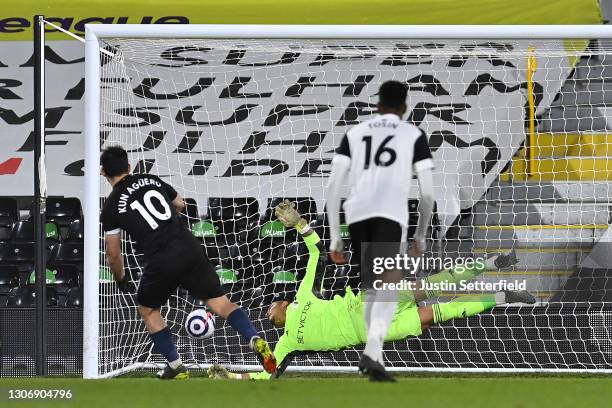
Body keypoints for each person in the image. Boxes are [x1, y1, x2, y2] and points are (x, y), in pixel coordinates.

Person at [207, 202, 531, 381]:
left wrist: (300, 224)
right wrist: (233, 378)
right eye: (267, 313)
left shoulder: (303, 295)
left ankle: (495, 260)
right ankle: (503, 296)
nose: (267, 312)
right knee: (435, 314)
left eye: (268, 307)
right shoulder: (287, 343)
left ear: (282, 302)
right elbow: (270, 372)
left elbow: (317, 252)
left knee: (430, 286)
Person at [100, 145, 276, 379]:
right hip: (189, 247)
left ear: (103, 172)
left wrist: (121, 280)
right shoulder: (151, 179)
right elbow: (182, 204)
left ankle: (175, 364)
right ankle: (254, 338)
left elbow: (113, 254)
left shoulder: (111, 205)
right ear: (129, 167)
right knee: (221, 303)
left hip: (161, 258)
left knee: (148, 309)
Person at [325, 80, 436, 380]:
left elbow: (334, 185)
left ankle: (372, 356)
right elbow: (427, 193)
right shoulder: (413, 134)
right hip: (388, 213)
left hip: (357, 213)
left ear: (377, 106)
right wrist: (421, 235)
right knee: (387, 286)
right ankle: (372, 356)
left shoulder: (354, 133)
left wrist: (336, 235)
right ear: (404, 108)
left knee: (374, 286)